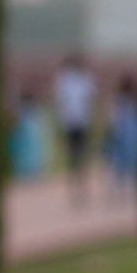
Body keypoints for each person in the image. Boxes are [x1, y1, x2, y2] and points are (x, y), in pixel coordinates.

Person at [51, 51, 97, 205]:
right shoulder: (69, 80)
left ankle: (79, 189)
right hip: (75, 122)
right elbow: (60, 103)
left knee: (77, 157)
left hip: (76, 122)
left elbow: (89, 101)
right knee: (77, 156)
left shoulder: (81, 79)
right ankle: (77, 189)